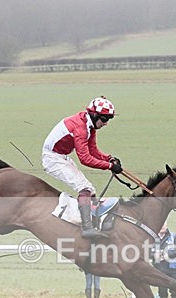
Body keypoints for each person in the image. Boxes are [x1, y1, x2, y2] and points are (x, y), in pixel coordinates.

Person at [42, 96, 123, 238]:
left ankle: (92, 223)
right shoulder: (81, 129)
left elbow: (93, 151)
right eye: (104, 119)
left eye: (109, 119)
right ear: (94, 115)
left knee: (90, 190)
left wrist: (108, 158)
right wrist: (109, 166)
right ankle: (87, 229)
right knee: (84, 189)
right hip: (52, 159)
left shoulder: (89, 125)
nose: (106, 123)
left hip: (61, 156)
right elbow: (85, 159)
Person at [153, 223, 176, 298]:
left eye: (164, 225)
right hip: (159, 268)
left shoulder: (173, 236)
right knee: (162, 290)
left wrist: (167, 255)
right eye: (161, 224)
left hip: (172, 268)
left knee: (174, 289)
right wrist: (155, 255)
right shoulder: (153, 238)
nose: (162, 226)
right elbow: (147, 251)